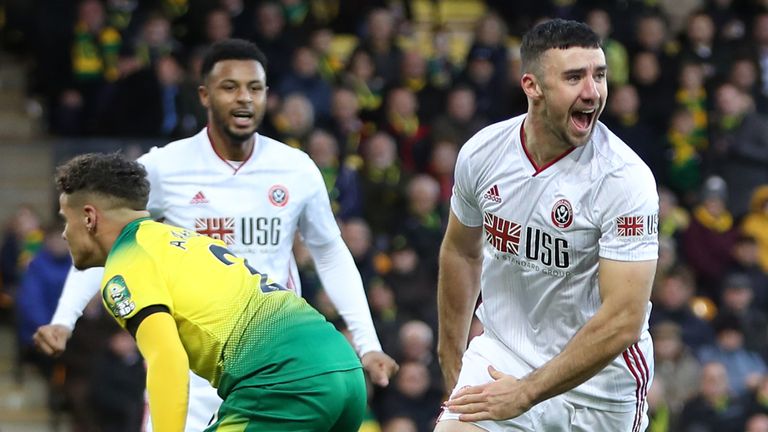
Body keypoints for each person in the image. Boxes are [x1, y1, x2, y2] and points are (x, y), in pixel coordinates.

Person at [34, 39, 397, 431]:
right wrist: (64, 319)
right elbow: (109, 236)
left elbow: (330, 253)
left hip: (274, 363)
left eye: (254, 88)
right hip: (225, 361)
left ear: (267, 96)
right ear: (204, 95)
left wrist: (369, 341)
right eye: (230, 87)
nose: (244, 99)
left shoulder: (296, 168)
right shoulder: (163, 167)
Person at [436, 19, 659, 431]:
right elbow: (461, 252)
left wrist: (527, 393)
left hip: (599, 387)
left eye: (600, 76)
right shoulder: (482, 154)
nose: (592, 92)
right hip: (504, 356)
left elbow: (623, 319)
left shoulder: (624, 179)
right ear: (531, 86)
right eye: (575, 77)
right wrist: (452, 358)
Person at [53, 153, 367, 431]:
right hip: (345, 370)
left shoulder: (126, 266)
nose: (65, 234)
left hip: (284, 380)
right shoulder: (181, 238)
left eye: (66, 221)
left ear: (90, 217)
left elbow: (167, 360)